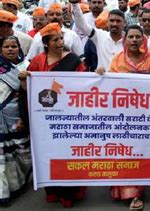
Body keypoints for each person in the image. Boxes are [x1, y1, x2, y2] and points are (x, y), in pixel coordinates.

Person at [26, 23, 86, 208]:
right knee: (48, 154)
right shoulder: (38, 61)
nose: (60, 42)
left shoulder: (73, 60)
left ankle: (70, 192)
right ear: (46, 43)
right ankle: (52, 190)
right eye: (55, 40)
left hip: (68, 116)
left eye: (61, 38)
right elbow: (30, 88)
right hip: (44, 118)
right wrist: (24, 78)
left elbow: (85, 84)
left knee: (67, 154)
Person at [105, 24, 150, 210]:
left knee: (139, 153)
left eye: (138, 37)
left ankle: (136, 194)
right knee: (123, 152)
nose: (135, 40)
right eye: (131, 37)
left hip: (143, 118)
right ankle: (121, 189)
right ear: (125, 39)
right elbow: (107, 86)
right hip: (121, 117)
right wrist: (100, 76)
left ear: (143, 40)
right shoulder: (117, 60)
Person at [0, 36, 31, 205]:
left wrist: (24, 80)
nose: (11, 49)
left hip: (18, 116)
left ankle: (20, 183)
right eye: (6, 46)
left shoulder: (26, 66)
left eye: (14, 46)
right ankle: (4, 192)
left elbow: (30, 93)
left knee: (22, 152)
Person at [69, 0, 125, 71]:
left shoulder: (129, 40)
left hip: (123, 81)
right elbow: (82, 25)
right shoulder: (100, 36)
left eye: (118, 21)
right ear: (107, 22)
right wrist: (74, 4)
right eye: (112, 21)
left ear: (124, 23)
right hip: (102, 80)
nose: (114, 24)